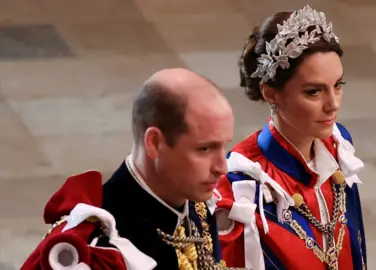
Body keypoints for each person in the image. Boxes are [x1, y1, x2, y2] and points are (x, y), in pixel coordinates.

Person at [22, 68, 237, 270]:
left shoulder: (195, 204)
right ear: (154, 143)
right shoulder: (102, 250)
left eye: (224, 145)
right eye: (205, 148)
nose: (222, 167)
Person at [215, 5, 367, 270]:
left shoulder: (338, 144)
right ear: (271, 93)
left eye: (338, 86)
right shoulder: (243, 185)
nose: (333, 105)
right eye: (313, 92)